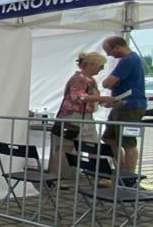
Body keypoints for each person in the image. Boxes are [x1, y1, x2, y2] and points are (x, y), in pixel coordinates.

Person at [47, 52, 112, 175]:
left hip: (85, 117)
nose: (102, 69)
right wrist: (103, 99)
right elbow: (76, 97)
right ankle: (54, 177)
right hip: (72, 117)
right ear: (92, 65)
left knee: (93, 148)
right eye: (100, 66)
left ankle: (102, 176)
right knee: (65, 148)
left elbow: (91, 100)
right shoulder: (78, 79)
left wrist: (108, 103)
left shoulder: (90, 80)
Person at [101, 36, 148, 177]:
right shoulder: (127, 60)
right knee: (109, 137)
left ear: (117, 47)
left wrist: (112, 82)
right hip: (120, 105)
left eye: (109, 51)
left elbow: (107, 83)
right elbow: (110, 83)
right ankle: (121, 171)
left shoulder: (128, 60)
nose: (108, 54)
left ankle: (129, 176)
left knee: (128, 143)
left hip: (130, 106)